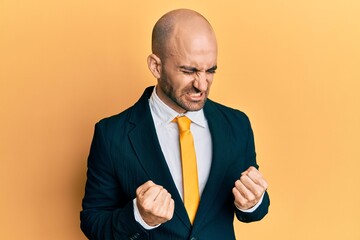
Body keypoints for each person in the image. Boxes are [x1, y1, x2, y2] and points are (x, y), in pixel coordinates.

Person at [80, 8, 270, 240]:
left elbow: (254, 210)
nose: (202, 85)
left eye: (210, 70)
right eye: (189, 71)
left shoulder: (237, 125)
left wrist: (253, 202)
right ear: (156, 67)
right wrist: (139, 217)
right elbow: (93, 222)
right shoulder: (111, 135)